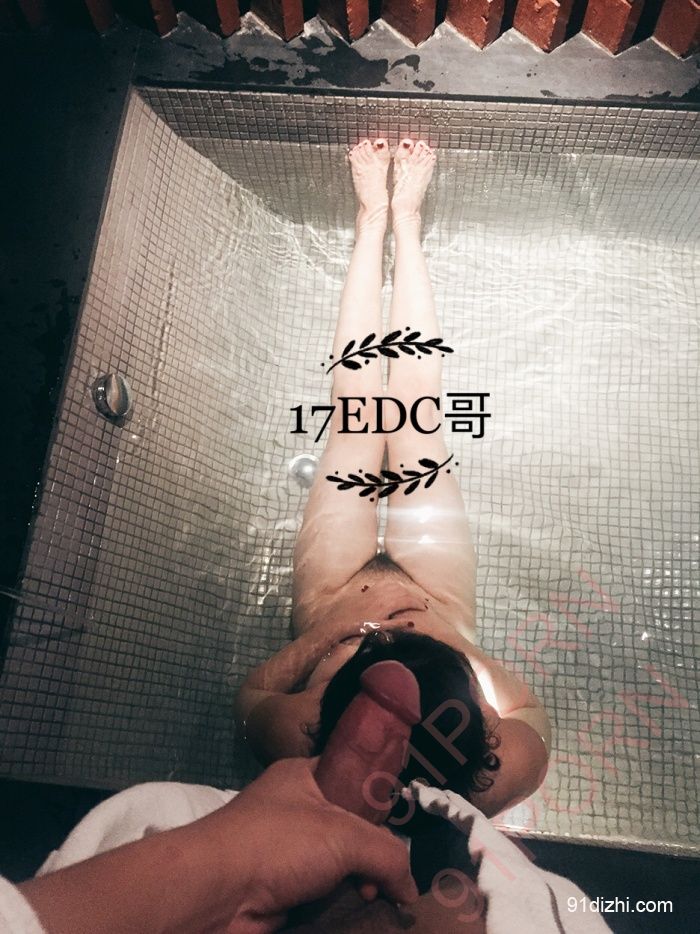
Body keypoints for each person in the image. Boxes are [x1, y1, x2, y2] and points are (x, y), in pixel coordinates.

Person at [234, 138, 551, 818]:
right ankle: (406, 222)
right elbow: (529, 712)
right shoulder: (497, 774)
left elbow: (251, 698)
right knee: (414, 411)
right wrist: (447, 639)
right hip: (437, 596)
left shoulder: (309, 748)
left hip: (335, 594)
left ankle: (370, 220)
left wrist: (337, 631)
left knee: (357, 413)